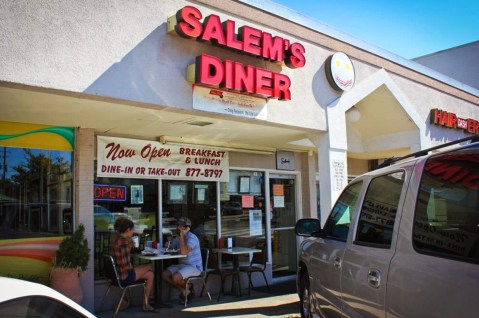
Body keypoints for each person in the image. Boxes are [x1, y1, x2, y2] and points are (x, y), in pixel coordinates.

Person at [110, 217, 158, 313]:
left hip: (115, 276)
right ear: (128, 230)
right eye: (133, 230)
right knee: (149, 267)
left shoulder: (115, 239)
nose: (133, 232)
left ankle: (146, 303)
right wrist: (136, 267)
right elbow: (126, 266)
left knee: (150, 274)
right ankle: (149, 300)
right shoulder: (124, 243)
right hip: (124, 276)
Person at [162, 217, 202, 300]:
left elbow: (184, 252)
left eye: (180, 226)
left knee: (175, 277)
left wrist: (182, 236)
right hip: (182, 264)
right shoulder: (178, 238)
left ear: (186, 227)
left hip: (194, 266)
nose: (178, 227)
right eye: (177, 225)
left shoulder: (192, 238)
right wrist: (167, 245)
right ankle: (185, 290)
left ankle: (189, 286)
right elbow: (172, 247)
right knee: (164, 275)